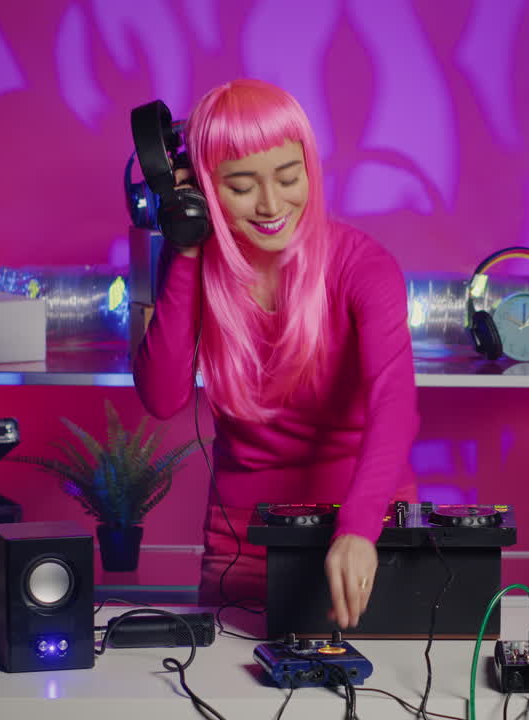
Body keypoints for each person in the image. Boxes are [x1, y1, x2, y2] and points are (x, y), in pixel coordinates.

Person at [132, 78, 419, 629]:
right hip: (244, 536)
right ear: (202, 187)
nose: (270, 204)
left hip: (365, 530)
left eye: (289, 178)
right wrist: (184, 246)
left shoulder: (363, 266)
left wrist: (359, 530)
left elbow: (395, 406)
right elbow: (162, 397)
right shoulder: (193, 261)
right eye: (241, 187)